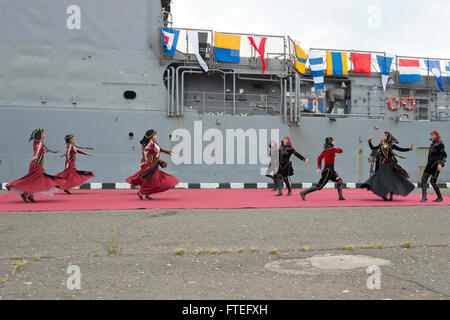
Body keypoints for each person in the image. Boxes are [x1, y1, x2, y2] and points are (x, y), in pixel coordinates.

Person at [6, 129, 64, 202]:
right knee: (34, 180)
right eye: (43, 134)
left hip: (37, 164)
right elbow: (37, 150)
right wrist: (35, 156)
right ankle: (25, 193)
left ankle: (30, 195)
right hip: (37, 164)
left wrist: (53, 151)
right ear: (40, 135)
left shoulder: (38, 143)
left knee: (34, 180)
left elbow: (43, 149)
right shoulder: (39, 143)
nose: (44, 135)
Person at [126, 129, 178, 200]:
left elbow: (160, 149)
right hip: (150, 164)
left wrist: (169, 152)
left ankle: (147, 193)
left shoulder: (154, 143)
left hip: (153, 163)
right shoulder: (150, 144)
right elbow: (146, 150)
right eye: (155, 135)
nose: (156, 136)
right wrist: (148, 157)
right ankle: (141, 192)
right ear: (151, 136)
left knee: (152, 179)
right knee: (154, 180)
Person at [361, 132, 415, 201]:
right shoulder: (380, 145)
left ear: (387, 137)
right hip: (382, 164)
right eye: (382, 135)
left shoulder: (391, 146)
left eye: (384, 135)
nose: (382, 136)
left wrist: (410, 148)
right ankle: (383, 194)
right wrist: (369, 141)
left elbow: (401, 149)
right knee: (382, 179)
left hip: (390, 164)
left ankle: (391, 195)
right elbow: (373, 148)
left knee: (392, 179)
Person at [420, 131, 446, 202]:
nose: (431, 136)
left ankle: (440, 197)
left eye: (433, 135)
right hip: (429, 165)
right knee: (423, 179)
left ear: (436, 136)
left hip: (436, 165)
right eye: (431, 135)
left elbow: (444, 155)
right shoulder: (432, 144)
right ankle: (424, 197)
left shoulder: (440, 144)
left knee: (433, 182)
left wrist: (441, 164)